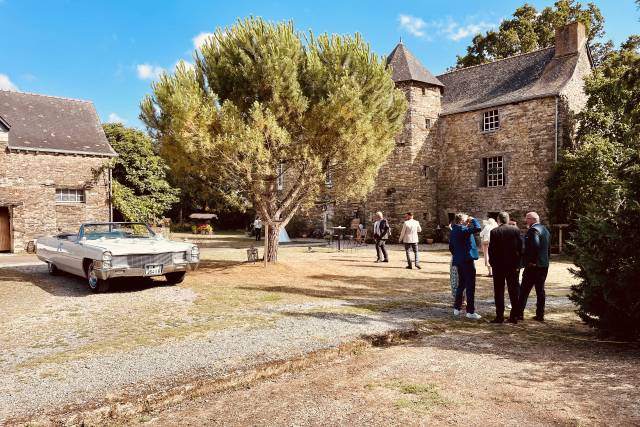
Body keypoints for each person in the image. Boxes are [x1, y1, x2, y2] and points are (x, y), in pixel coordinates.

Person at [488, 212, 522, 324]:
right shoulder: (515, 230)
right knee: (514, 291)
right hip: (512, 266)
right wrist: (518, 263)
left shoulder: (494, 232)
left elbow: (491, 250)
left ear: (498, 220)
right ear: (507, 219)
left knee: (499, 291)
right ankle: (514, 316)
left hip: (498, 266)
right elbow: (521, 247)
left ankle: (499, 316)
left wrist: (492, 263)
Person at [518, 211, 551, 321]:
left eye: (527, 218)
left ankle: (519, 313)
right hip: (544, 264)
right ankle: (540, 314)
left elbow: (535, 246)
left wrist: (531, 261)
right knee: (540, 290)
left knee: (524, 290)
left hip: (534, 266)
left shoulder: (533, 230)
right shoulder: (545, 230)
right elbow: (548, 249)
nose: (525, 221)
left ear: (532, 219)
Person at [449, 213, 482, 320]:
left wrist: (458, 256)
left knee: (461, 284)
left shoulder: (454, 230)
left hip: (459, 260)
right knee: (470, 286)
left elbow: (451, 247)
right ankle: (470, 311)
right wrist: (473, 219)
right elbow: (478, 228)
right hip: (467, 260)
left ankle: (457, 308)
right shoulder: (463, 229)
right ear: (462, 220)